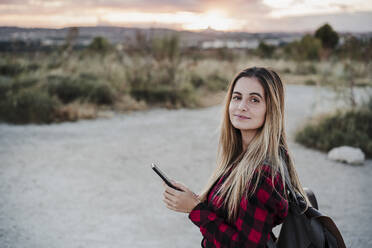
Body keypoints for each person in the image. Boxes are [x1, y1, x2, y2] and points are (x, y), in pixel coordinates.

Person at [162, 67, 309, 248]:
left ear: (271, 109)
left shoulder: (263, 173)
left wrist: (194, 209)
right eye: (237, 97)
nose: (241, 107)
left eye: (254, 100)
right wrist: (195, 199)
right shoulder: (241, 157)